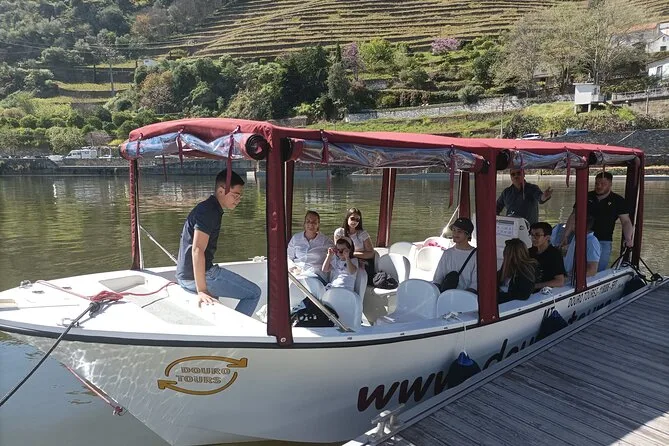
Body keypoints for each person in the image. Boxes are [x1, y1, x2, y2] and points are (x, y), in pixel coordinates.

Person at [175, 170, 261, 316]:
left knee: (216, 298)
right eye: (236, 195)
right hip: (197, 277)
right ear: (221, 191)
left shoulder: (208, 208)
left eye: (240, 196)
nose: (238, 200)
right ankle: (236, 330)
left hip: (185, 275)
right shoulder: (209, 211)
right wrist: (202, 290)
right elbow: (197, 249)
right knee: (254, 293)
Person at [561, 171, 634, 272]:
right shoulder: (585, 196)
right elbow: (573, 216)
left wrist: (628, 238)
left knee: (598, 270)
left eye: (603, 184)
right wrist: (565, 235)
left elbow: (626, 221)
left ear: (610, 184)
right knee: (574, 267)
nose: (599, 186)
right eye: (597, 183)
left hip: (603, 240)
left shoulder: (618, 200)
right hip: (582, 238)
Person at [432, 217, 478, 293]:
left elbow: (475, 284)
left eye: (459, 231)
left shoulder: (475, 255)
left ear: (468, 234)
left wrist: (462, 296)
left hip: (466, 296)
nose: (455, 234)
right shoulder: (447, 253)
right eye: (453, 230)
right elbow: (438, 279)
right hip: (446, 295)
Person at [287, 210, 333, 284]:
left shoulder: (326, 241)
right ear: (304, 223)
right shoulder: (296, 238)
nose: (311, 224)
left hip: (315, 275)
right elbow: (288, 257)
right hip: (296, 273)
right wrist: (292, 267)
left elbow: (335, 259)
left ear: (318, 224)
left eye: (314, 222)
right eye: (308, 221)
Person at [497, 238, 538, 304]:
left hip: (511, 305)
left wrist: (495, 297)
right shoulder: (507, 266)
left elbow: (523, 294)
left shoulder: (526, 270)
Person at [529, 222, 566, 290]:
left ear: (547, 237)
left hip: (543, 291)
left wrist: (534, 286)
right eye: (532, 234)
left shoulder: (554, 254)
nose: (533, 238)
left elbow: (560, 281)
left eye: (537, 235)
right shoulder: (529, 252)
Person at [563, 214, 601, 279]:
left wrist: (570, 277)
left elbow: (592, 270)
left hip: (574, 280)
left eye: (573, 223)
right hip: (567, 275)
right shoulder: (577, 237)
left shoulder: (592, 242)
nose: (571, 226)